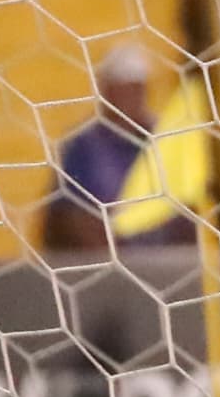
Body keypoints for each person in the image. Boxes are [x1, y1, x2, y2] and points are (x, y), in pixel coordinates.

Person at [41, 43, 208, 256]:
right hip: (106, 265)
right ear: (106, 90)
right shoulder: (83, 146)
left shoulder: (165, 140)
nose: (131, 97)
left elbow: (189, 203)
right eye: (123, 88)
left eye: (137, 88)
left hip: (166, 264)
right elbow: (70, 217)